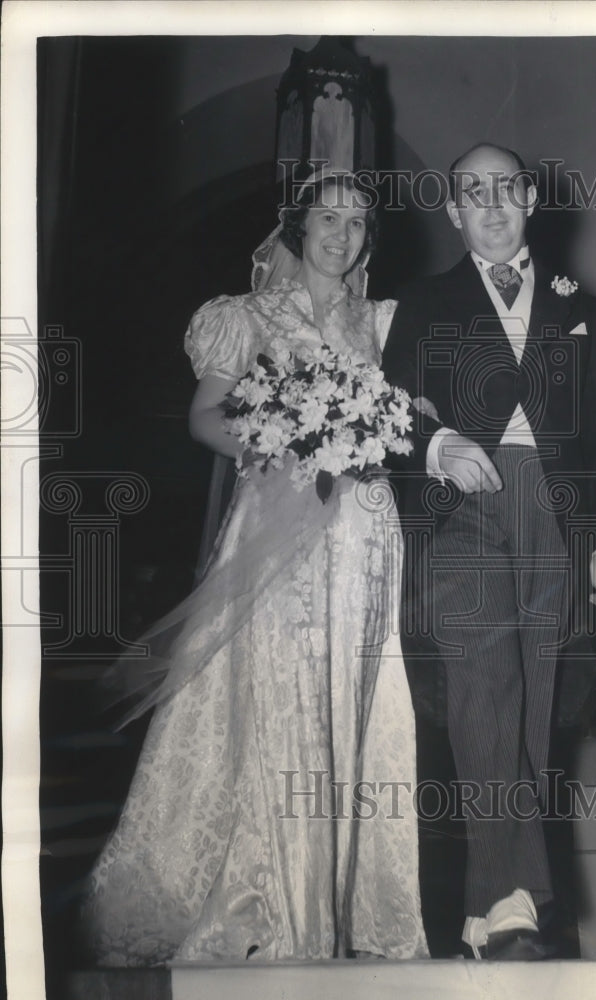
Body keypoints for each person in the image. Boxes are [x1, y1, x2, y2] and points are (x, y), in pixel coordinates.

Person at [83, 172, 429, 965]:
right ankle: (278, 905)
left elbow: (412, 416)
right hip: (278, 525)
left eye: (356, 222)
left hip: (364, 534)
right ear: (299, 227)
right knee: (279, 695)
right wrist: (282, 443)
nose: (340, 234)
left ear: (369, 240)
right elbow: (206, 417)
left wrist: (377, 437)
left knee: (353, 696)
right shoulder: (247, 316)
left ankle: (347, 904)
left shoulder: (383, 322)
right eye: (326, 218)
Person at [382, 143, 596, 961]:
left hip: (553, 511)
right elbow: (387, 411)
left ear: (529, 198)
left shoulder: (582, 308)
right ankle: (515, 900)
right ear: (453, 212)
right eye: (472, 193)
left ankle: (489, 901)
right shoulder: (425, 301)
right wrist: (438, 443)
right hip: (462, 506)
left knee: (532, 698)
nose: (490, 206)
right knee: (481, 683)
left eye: (505, 189)